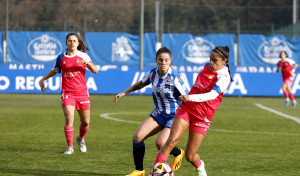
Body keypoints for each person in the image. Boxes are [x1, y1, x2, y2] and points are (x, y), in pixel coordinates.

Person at [150, 46, 233, 176]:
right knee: (171, 141)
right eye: (210, 59)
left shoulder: (224, 77)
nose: (211, 62)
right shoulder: (207, 67)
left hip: (202, 117)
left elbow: (211, 95)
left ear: (224, 61)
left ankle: (200, 166)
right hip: (187, 109)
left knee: (190, 156)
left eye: (215, 60)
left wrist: (190, 97)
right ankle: (153, 172)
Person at [114, 47, 189, 176]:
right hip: (159, 113)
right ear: (156, 60)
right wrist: (124, 92)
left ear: (171, 61)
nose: (163, 63)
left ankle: (178, 152)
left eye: (166, 60)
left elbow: (187, 98)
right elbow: (140, 84)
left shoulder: (176, 77)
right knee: (137, 138)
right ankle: (139, 170)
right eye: (160, 60)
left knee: (161, 143)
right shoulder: (153, 73)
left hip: (174, 116)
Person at [40, 33, 98, 154]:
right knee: (69, 117)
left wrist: (88, 63)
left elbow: (95, 71)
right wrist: (43, 79)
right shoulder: (61, 57)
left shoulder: (83, 56)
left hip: (82, 93)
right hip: (67, 93)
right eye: (69, 41)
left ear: (78, 43)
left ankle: (80, 139)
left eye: (74, 41)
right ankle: (70, 147)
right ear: (66, 43)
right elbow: (54, 70)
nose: (72, 43)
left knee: (85, 122)